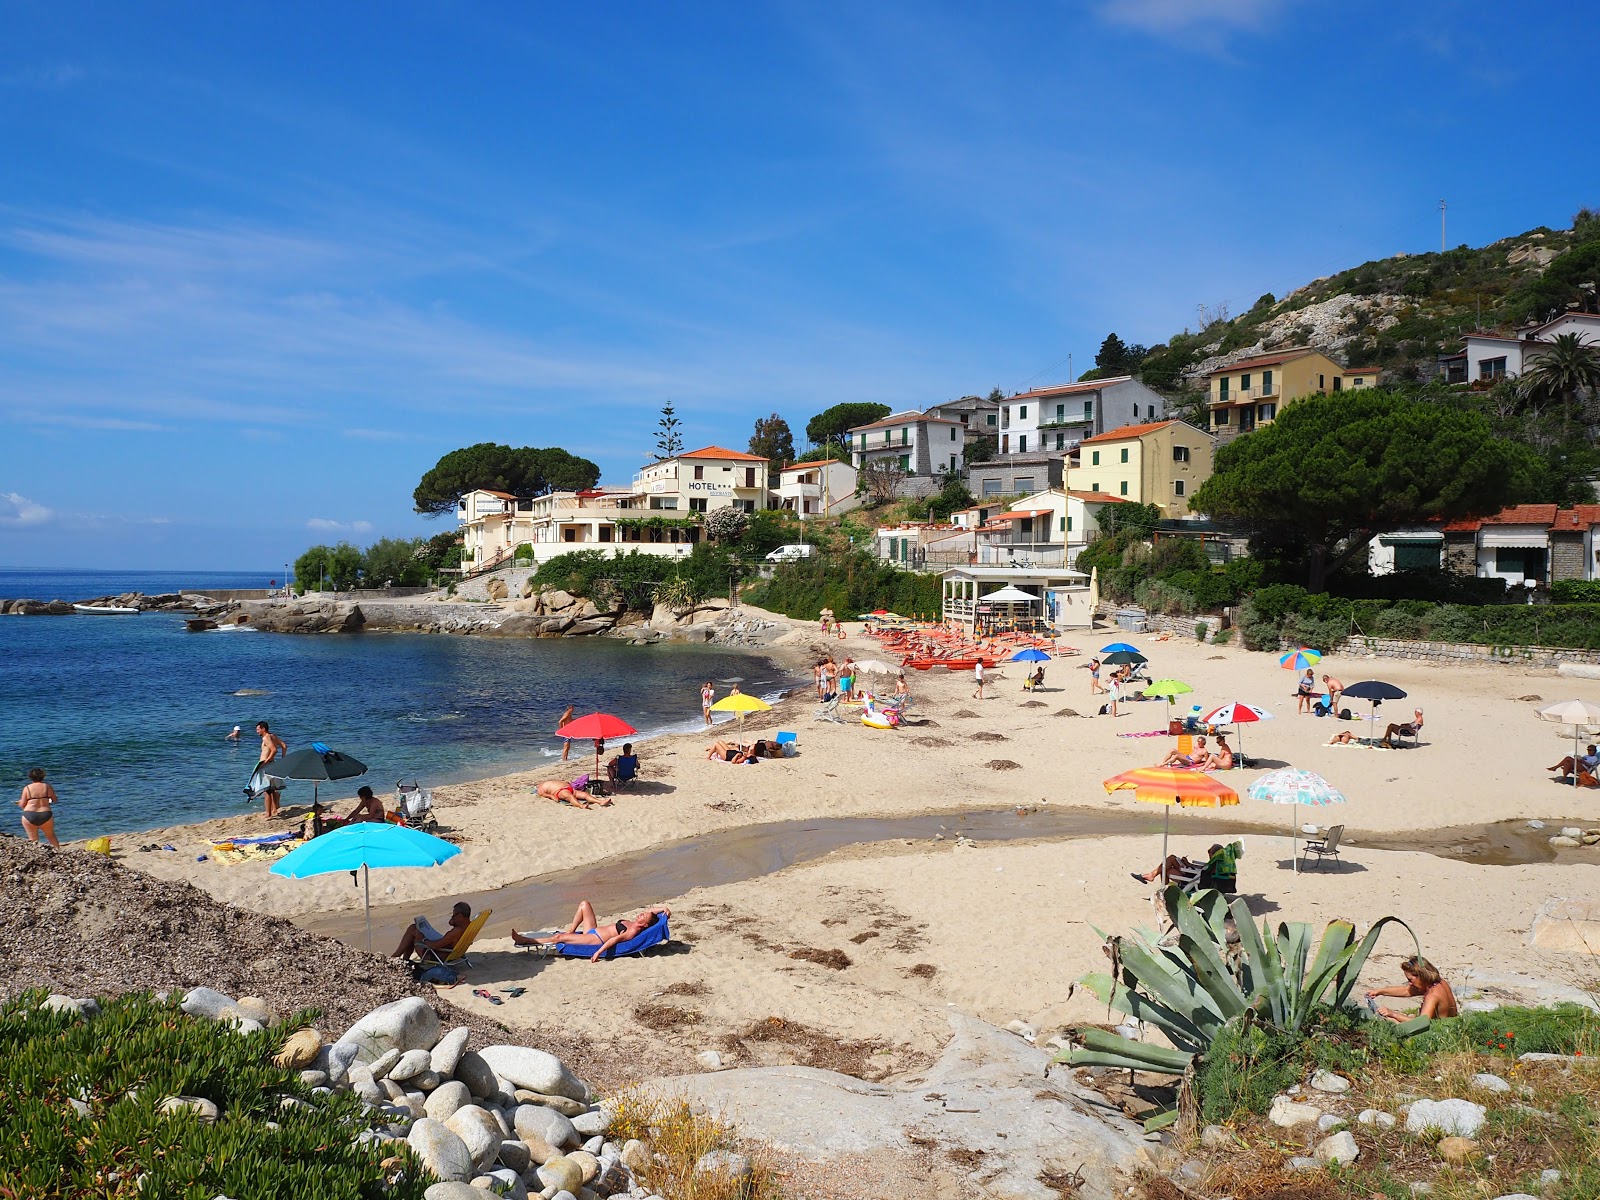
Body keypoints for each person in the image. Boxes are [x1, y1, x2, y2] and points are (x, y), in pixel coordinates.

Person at [512, 900, 671, 961]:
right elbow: (651, 910)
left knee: (559, 938)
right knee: (584, 904)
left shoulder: (633, 931)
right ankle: (571, 931)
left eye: (644, 916)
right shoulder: (633, 922)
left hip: (596, 940)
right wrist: (663, 908)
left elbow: (613, 940)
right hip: (593, 931)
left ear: (645, 925)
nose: (642, 913)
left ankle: (524, 940)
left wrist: (598, 952)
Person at [1366, 955, 1458, 1023]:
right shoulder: (1440, 983)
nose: (1410, 983)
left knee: (1390, 1020)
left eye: (1410, 980)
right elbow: (1406, 991)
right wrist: (1379, 991)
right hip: (1451, 1025)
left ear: (1422, 976)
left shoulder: (1432, 996)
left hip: (1439, 1032)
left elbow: (1421, 1024)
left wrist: (1392, 1014)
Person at [393, 901, 472, 960]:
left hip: (436, 955)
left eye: (454, 915)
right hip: (452, 953)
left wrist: (423, 938)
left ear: (460, 916)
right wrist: (453, 920)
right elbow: (451, 924)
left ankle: (397, 956)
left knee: (413, 930)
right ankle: (404, 959)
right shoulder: (470, 926)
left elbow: (434, 946)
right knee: (414, 930)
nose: (452, 917)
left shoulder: (456, 932)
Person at [18, 767, 60, 848]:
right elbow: (54, 800)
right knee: (51, 836)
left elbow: (22, 805)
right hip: (45, 814)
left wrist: (20, 802)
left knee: (33, 839)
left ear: (30, 777)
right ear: (43, 776)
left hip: (29, 814)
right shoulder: (47, 786)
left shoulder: (27, 788)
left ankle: (35, 856)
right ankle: (58, 853)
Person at [255, 721, 287, 818]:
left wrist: (265, 761)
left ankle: (268, 813)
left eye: (258, 729)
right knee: (272, 789)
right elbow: (284, 746)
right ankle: (274, 810)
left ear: (263, 729)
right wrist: (283, 759)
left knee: (266, 790)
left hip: (266, 765)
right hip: (272, 764)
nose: (257, 731)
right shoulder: (273, 736)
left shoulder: (266, 737)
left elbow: (274, 750)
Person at [536, 778, 609, 808]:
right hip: (560, 791)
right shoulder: (540, 788)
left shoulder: (548, 782)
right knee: (570, 797)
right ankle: (581, 806)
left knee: (585, 794)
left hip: (569, 788)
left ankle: (600, 802)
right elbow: (543, 794)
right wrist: (552, 796)